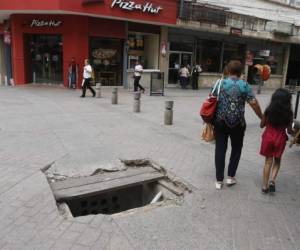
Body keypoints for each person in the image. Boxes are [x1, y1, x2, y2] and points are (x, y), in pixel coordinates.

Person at [213, 60, 263, 190]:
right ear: (241, 72)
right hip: (238, 124)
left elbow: (211, 100)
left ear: (228, 70)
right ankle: (230, 177)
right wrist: (262, 118)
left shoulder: (220, 83)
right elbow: (254, 103)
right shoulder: (245, 85)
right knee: (236, 149)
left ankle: (219, 181)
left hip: (220, 121)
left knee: (220, 149)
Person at [260, 88, 293, 194]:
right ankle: (272, 181)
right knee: (277, 160)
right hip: (280, 138)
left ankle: (264, 187)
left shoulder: (268, 110)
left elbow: (262, 125)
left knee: (268, 161)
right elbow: (289, 130)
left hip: (268, 137)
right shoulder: (289, 113)